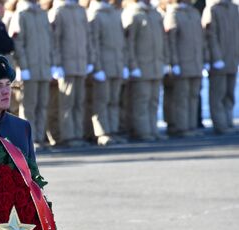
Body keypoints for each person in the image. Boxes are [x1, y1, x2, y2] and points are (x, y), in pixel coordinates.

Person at [8, 0, 55, 149]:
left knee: (42, 104)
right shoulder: (20, 15)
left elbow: (50, 41)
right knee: (29, 106)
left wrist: (51, 63)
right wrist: (23, 66)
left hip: (44, 67)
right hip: (30, 68)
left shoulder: (42, 14)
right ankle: (29, 139)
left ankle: (39, 137)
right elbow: (17, 42)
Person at [49, 0, 93, 147]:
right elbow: (55, 40)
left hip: (80, 64)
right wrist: (56, 64)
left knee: (79, 102)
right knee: (67, 103)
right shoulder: (59, 11)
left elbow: (88, 38)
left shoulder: (81, 10)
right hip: (66, 65)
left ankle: (78, 134)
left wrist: (90, 59)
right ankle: (68, 136)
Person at [121, 0, 167, 141]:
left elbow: (162, 40)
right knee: (141, 101)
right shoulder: (133, 14)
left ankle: (152, 129)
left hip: (156, 65)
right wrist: (133, 65)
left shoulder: (155, 14)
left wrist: (165, 61)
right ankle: (142, 132)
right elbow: (129, 43)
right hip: (141, 66)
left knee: (153, 101)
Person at [87, 0, 128, 145]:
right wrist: (97, 67)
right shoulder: (95, 14)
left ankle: (113, 130)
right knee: (102, 101)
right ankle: (102, 133)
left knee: (114, 101)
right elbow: (93, 43)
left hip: (116, 64)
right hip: (103, 65)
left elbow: (122, 43)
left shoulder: (114, 13)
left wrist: (124, 64)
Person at [164, 0, 204, 137]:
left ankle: (191, 126)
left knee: (193, 97)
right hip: (182, 63)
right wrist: (173, 62)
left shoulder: (194, 13)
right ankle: (182, 127)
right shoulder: (173, 14)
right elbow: (171, 41)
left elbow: (201, 39)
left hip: (195, 62)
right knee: (181, 98)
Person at [201, 0, 239, 134]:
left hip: (232, 59)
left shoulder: (234, 8)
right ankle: (220, 124)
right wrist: (215, 58)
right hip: (218, 61)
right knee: (218, 94)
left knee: (229, 94)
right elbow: (209, 36)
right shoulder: (212, 9)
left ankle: (228, 122)